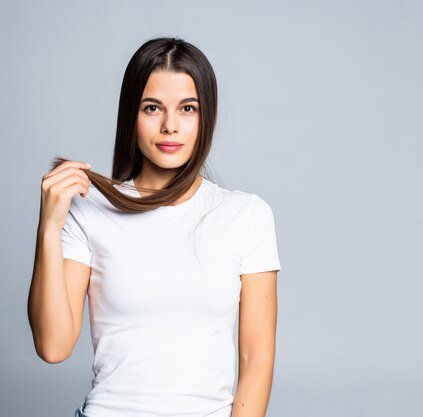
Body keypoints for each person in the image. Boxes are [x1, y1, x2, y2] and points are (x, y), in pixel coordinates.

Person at [27, 36, 282, 417]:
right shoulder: (90, 210)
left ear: (206, 115)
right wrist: (48, 229)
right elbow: (53, 346)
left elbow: (256, 358)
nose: (170, 126)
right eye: (152, 108)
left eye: (187, 108)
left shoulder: (245, 215)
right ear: (131, 113)